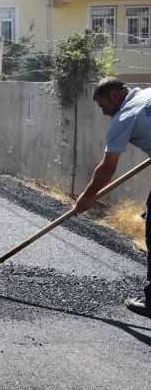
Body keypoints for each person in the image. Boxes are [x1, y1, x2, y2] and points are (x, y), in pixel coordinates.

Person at [75, 77, 151, 318]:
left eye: (102, 106)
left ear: (115, 97)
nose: (105, 113)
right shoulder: (147, 95)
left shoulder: (123, 117)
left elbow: (107, 168)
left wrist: (87, 197)